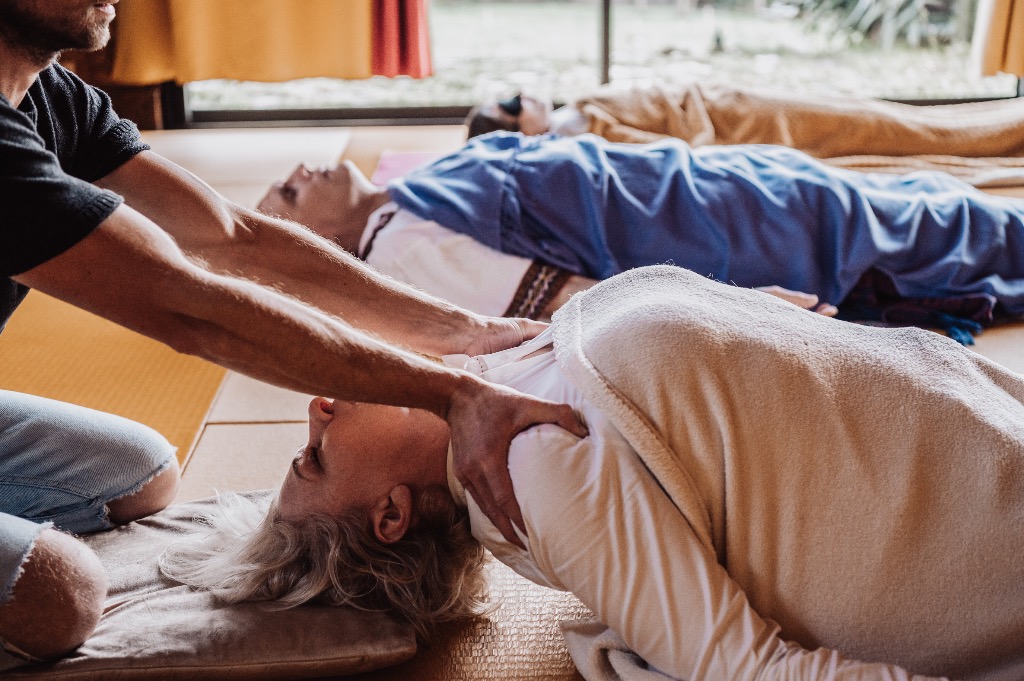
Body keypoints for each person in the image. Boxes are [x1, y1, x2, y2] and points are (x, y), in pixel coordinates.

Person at [0, 0, 585, 669]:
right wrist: (452, 391)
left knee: (144, 474)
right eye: (315, 451)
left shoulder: (44, 91)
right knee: (60, 595)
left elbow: (232, 235)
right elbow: (192, 309)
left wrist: (467, 328)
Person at [163, 265, 1024, 680]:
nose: (317, 405)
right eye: (316, 457)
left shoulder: (501, 361)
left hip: (969, 415)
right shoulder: (534, 473)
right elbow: (745, 669)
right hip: (961, 524)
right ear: (390, 515)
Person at [258, 131, 1024, 342]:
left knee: (937, 206)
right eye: (291, 192)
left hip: (718, 189)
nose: (301, 167)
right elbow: (578, 305)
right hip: (742, 232)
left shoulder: (404, 198)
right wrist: (745, 310)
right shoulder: (400, 254)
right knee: (963, 232)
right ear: (314, 249)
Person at [465, 83, 1024, 166]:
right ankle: (1008, 131)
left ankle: (1002, 125)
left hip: (738, 100)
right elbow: (672, 150)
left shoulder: (573, 115)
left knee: (892, 121)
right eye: (515, 100)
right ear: (518, 130)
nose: (528, 94)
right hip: (753, 123)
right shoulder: (578, 138)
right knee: (891, 131)